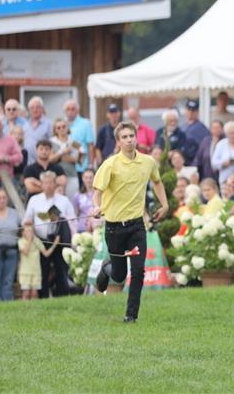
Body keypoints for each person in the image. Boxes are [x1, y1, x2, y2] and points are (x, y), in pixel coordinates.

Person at [93, 120, 168, 323]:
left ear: (136, 138)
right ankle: (107, 268)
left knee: (138, 271)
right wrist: (96, 207)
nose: (129, 140)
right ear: (118, 141)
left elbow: (157, 182)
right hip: (114, 228)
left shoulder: (147, 162)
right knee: (118, 275)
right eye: (124, 137)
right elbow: (97, 192)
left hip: (136, 226)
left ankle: (131, 315)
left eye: (131, 136)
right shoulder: (110, 164)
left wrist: (165, 204)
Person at [24, 171, 76, 298]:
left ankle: (62, 296)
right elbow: (27, 220)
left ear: (55, 184)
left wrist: (60, 219)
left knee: (61, 270)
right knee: (42, 271)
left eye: (51, 183)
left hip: (59, 239)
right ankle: (43, 297)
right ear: (41, 184)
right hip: (41, 240)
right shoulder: (34, 200)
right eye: (45, 183)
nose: (48, 186)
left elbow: (73, 220)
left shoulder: (63, 200)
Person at [18, 224, 53, 300]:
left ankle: (35, 308)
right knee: (26, 292)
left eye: (31, 231)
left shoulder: (37, 241)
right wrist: (30, 240)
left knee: (34, 293)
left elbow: (46, 253)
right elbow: (25, 252)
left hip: (36, 271)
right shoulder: (21, 241)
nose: (29, 233)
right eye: (27, 231)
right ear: (23, 233)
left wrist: (55, 244)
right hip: (25, 271)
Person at [49, 118, 81, 202]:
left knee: (72, 202)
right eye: (58, 127)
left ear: (67, 128)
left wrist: (58, 157)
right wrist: (62, 152)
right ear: (55, 130)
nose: (61, 129)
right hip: (56, 177)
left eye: (63, 126)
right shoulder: (51, 142)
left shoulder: (74, 142)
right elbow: (50, 159)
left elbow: (76, 159)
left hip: (71, 175)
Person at [63, 100, 95, 177]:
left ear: (77, 110)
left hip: (82, 166)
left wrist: (90, 164)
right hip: (66, 167)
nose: (70, 112)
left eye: (73, 109)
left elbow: (90, 145)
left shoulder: (85, 123)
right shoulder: (62, 125)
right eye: (68, 109)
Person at [23, 96, 52, 165]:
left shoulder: (49, 124)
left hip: (43, 163)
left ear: (42, 109)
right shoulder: (25, 125)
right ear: (29, 110)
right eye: (32, 108)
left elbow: (52, 144)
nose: (35, 110)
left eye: (37, 107)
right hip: (27, 163)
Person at [183, 99, 209, 165]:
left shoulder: (201, 128)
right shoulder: (182, 127)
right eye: (189, 110)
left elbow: (203, 148)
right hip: (182, 161)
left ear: (197, 112)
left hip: (194, 162)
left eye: (193, 111)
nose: (191, 112)